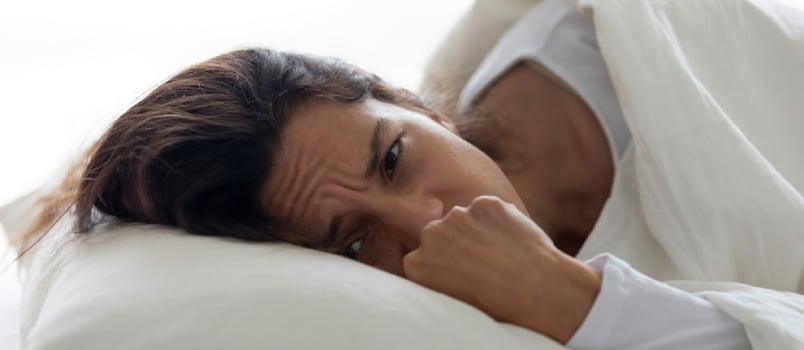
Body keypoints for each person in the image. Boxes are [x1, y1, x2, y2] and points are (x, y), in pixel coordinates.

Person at [17, 3, 756, 349]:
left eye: (395, 159)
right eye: (354, 247)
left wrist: (568, 297)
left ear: (407, 101)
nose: (429, 224)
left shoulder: (636, 54)